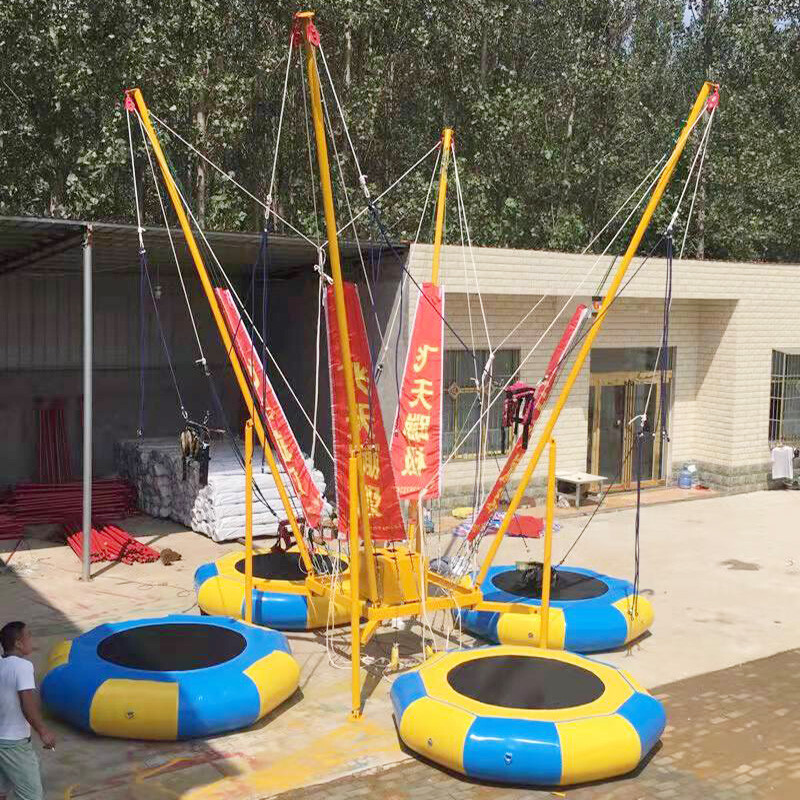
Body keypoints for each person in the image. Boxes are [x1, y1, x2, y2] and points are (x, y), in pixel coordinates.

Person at [0, 622, 54, 800]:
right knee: (32, 795)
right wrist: (43, 731)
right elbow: (27, 704)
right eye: (28, 635)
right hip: (14, 743)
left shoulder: (1, 664)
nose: (32, 639)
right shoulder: (22, 666)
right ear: (18, 643)